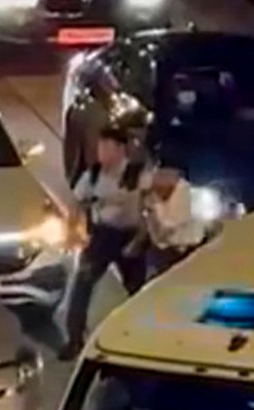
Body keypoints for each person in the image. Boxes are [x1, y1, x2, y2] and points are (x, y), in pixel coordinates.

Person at [59, 128, 149, 361]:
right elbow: (76, 203)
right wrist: (73, 231)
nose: (102, 153)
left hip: (130, 235)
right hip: (102, 235)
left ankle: (139, 338)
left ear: (121, 149)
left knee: (137, 290)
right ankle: (74, 339)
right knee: (82, 283)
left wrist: (141, 238)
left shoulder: (136, 173)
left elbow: (146, 205)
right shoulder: (93, 174)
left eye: (107, 148)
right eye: (100, 148)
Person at [139, 167, 204, 279]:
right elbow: (157, 236)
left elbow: (167, 228)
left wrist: (155, 206)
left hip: (186, 251)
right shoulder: (156, 194)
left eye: (161, 175)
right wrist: (147, 211)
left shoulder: (185, 192)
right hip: (164, 250)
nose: (155, 179)